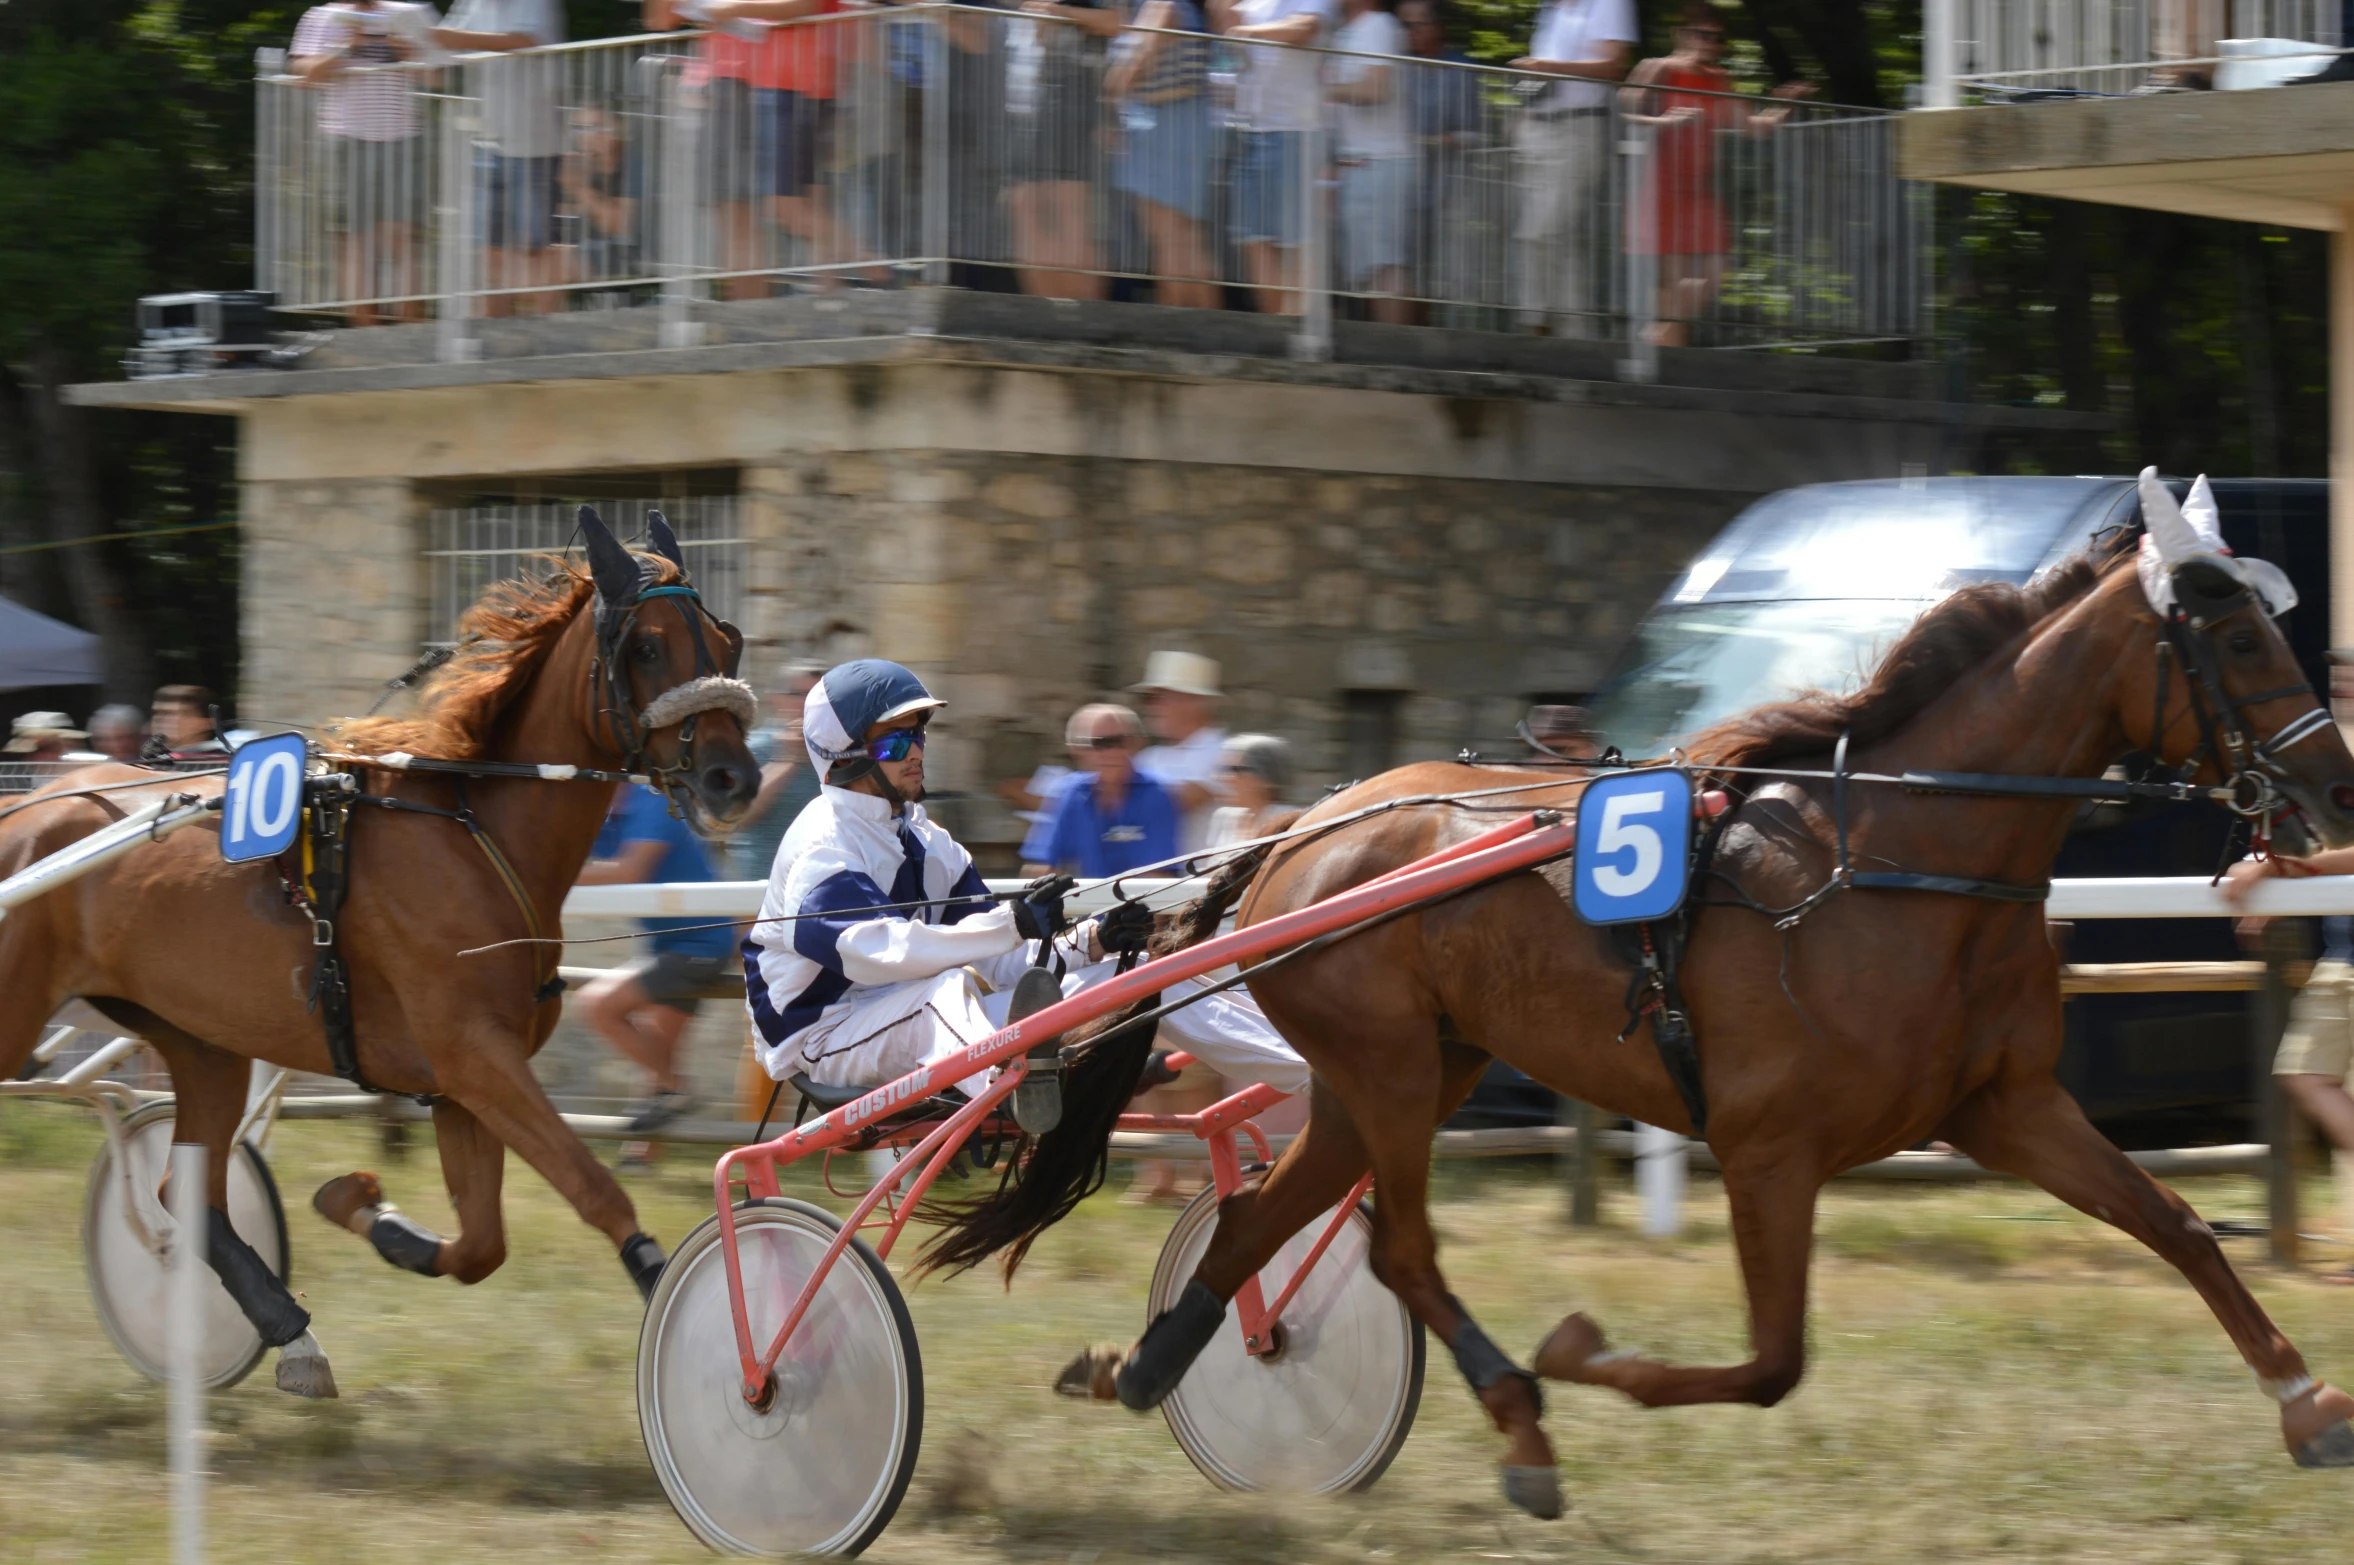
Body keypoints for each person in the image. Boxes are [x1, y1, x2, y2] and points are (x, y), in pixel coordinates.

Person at [743, 659, 1309, 1096]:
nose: (915, 751)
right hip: (819, 1037)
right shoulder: (823, 843)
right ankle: (1029, 1083)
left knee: (1141, 971)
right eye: (895, 741)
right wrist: (1011, 923)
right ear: (843, 757)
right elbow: (877, 955)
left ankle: (1313, 1073)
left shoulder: (927, 840)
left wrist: (1093, 940)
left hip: (922, 1022)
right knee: (939, 991)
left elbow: (1002, 961)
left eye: (919, 734)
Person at [646, 0, 872, 296]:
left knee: (787, 206)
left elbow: (806, 5)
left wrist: (729, 10)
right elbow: (659, 19)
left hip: (783, 80)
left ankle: (877, 273)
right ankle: (751, 321)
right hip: (726, 80)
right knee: (736, 212)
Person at [1619, 4, 1808, 347]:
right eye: (1703, 34)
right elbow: (1623, 114)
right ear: (1682, 34)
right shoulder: (1657, 68)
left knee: (1719, 269)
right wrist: (1665, 122)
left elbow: (1752, 127)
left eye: (1719, 38)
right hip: (1660, 185)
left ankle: (1651, 343)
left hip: (1699, 190)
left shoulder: (1718, 78)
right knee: (1673, 283)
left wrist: (1785, 108)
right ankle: (1665, 365)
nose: (1711, 43)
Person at [575, 782, 741, 1134]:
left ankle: (678, 1088)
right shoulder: (608, 810)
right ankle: (640, 1155)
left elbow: (629, 871)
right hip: (674, 946)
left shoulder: (650, 802)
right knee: (658, 1049)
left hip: (699, 946)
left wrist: (554, 880)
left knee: (597, 1006)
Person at [289, 1, 444, 327]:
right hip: (346, 137)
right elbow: (305, 76)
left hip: (403, 135)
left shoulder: (408, 13)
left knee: (403, 238)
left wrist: (411, 55)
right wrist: (347, 47)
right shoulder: (323, 16)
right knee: (354, 239)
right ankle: (366, 336)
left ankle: (411, 332)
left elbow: (439, 78)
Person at [1508, 0, 1637, 338]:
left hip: (1578, 128)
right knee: (1557, 239)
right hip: (1539, 128)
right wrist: (1523, 116)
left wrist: (1547, 66)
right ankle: (1576, 337)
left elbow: (1613, 66)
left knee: (1540, 233)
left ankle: (1534, 328)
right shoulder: (1551, 7)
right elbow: (1540, 77)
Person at [438, 0, 567, 316]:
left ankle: (550, 337)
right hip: (486, 141)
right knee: (487, 249)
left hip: (534, 144)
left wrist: (458, 40)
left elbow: (526, 39)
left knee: (535, 248)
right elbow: (444, 42)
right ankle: (494, 335)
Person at [1214, 0, 1339, 316]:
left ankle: (1297, 329)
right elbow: (1225, 25)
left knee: (1296, 243)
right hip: (1250, 133)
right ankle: (1277, 329)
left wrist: (1249, 31)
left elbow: (1304, 28)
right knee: (1252, 238)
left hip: (1296, 133)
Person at [1004, 0, 1121, 299]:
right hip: (1030, 101)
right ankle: (1045, 315)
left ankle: (1086, 317)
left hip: (1078, 100)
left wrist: (1062, 13)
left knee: (1070, 210)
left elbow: (1116, 21)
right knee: (1024, 204)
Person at [1109, 0, 1220, 308]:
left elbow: (1139, 58)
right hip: (1181, 121)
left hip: (1163, 122)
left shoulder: (1164, 4)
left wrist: (1107, 97)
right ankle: (1206, 332)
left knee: (1170, 238)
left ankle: (1180, 329)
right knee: (1184, 238)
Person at [1325, 0, 1414, 323]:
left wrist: (1322, 91)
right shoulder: (1343, 34)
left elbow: (1376, 88)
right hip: (1356, 165)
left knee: (1384, 268)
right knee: (1368, 271)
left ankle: (1394, 355)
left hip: (1382, 162)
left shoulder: (1378, 26)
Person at [1399, 0, 1486, 319]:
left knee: (1448, 275)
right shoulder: (1399, 65)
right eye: (1404, 25)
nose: (1409, 33)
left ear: (1438, 27)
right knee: (1408, 269)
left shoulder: (1459, 69)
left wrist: (1426, 142)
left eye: (1416, 25)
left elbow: (1475, 135)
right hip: (1406, 189)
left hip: (1451, 192)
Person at [1027, 704, 1180, 877]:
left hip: (1140, 900)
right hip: (1085, 900)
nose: (1110, 752)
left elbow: (1157, 876)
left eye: (1118, 742)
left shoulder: (1156, 794)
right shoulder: (1068, 792)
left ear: (1136, 744)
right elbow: (1041, 867)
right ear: (1077, 750)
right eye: (1097, 743)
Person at [730, 661, 826, 877]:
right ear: (776, 698)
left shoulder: (840, 751)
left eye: (818, 697)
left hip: (825, 884)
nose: (808, 704)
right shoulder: (752, 750)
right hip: (765, 882)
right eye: (799, 694)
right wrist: (788, 759)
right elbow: (739, 817)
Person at [1131, 649, 1228, 856]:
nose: (1151, 707)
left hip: (1201, 883)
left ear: (1193, 702)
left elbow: (1171, 804)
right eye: (1149, 699)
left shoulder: (1224, 752)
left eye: (1159, 698)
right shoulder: (1149, 756)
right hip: (1147, 880)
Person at [1204, 732, 1293, 848]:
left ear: (1266, 776)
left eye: (1235, 769)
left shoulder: (1289, 822)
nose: (1222, 778)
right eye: (1222, 769)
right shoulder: (1224, 818)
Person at [150, 686, 230, 759]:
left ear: (207, 723)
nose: (160, 719)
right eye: (158, 712)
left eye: (173, 713)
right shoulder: (148, 762)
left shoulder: (225, 766)